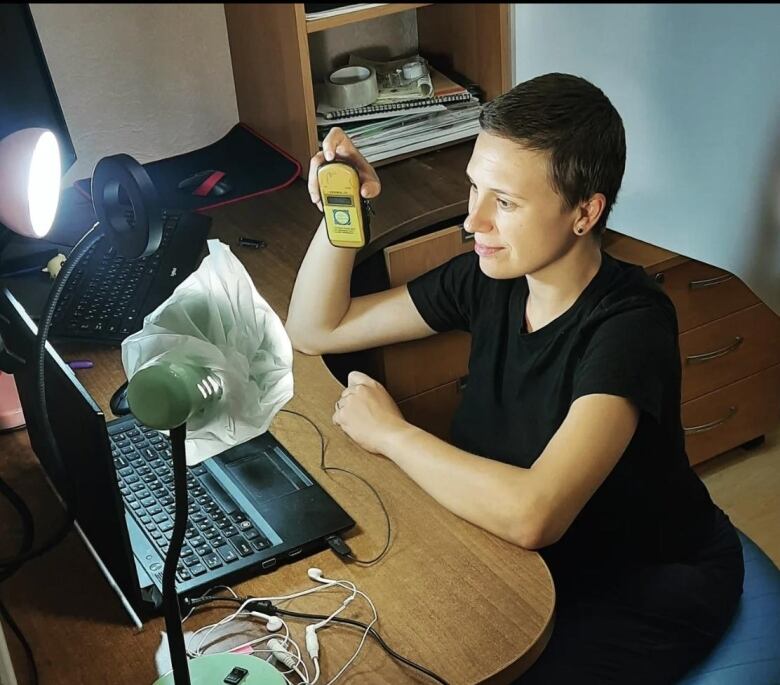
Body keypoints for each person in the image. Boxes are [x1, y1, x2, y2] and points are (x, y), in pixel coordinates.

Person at [285, 72, 744, 684]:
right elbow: (317, 329)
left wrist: (392, 434)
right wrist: (347, 213)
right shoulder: (491, 279)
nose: (474, 222)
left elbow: (536, 513)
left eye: (504, 202)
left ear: (585, 212)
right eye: (475, 188)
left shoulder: (631, 323)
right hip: (532, 561)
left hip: (642, 580)